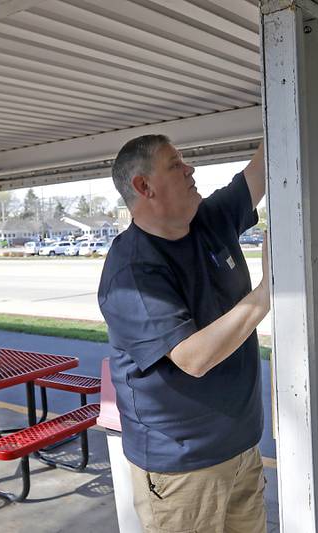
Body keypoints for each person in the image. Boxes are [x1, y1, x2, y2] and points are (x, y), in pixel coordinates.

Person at [98, 134, 269, 532]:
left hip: (242, 448)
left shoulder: (208, 221)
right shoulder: (132, 270)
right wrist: (267, 292)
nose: (191, 169)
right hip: (182, 471)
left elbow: (261, 172)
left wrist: (291, 102)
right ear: (144, 186)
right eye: (176, 164)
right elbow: (193, 357)